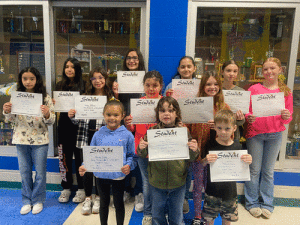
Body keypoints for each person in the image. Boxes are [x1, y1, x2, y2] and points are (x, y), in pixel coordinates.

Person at [137, 96, 199, 225]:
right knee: (157, 214)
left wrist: (194, 150)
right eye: (162, 110)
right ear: (158, 114)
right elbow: (142, 154)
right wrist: (141, 147)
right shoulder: (152, 132)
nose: (166, 114)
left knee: (176, 215)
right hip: (157, 182)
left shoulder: (183, 132)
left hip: (178, 181)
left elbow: (191, 158)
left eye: (170, 110)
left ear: (177, 114)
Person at [244, 57, 293, 219]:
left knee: (268, 171)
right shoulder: (254, 89)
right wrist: (248, 116)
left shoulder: (285, 91)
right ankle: (251, 203)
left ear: (280, 70)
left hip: (275, 135)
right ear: (261, 71)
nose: (269, 72)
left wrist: (286, 115)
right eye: (265, 69)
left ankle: (267, 203)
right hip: (256, 134)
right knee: (254, 170)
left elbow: (288, 118)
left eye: (272, 68)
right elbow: (247, 111)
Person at [2, 67, 55, 215]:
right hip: (21, 139)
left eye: (32, 78)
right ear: (21, 80)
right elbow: (10, 119)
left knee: (40, 172)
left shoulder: (45, 97)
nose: (28, 81)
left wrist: (47, 113)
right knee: (24, 172)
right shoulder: (16, 96)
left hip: (40, 141)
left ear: (37, 79)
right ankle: (26, 200)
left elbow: (51, 121)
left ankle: (37, 200)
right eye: (25, 78)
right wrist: (6, 111)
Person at [79, 100, 135, 225]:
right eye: (108, 114)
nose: (112, 118)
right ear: (103, 115)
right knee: (103, 203)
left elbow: (132, 156)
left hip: (118, 176)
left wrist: (129, 165)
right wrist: (84, 165)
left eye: (116, 115)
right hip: (101, 175)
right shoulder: (98, 134)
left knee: (118, 203)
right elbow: (91, 154)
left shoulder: (127, 135)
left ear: (122, 115)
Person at [68, 67, 113, 215]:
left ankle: (99, 198)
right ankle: (88, 198)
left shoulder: (111, 98)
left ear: (105, 79)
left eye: (100, 77)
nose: (98, 81)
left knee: (100, 169)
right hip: (84, 136)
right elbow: (77, 123)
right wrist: (72, 116)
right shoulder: (84, 97)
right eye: (94, 78)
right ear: (91, 81)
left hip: (102, 138)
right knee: (86, 169)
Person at [187, 71, 231, 225]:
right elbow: (187, 126)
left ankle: (210, 214)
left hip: (217, 152)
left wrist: (217, 127)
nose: (212, 87)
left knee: (211, 186)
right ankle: (198, 215)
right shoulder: (195, 103)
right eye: (208, 84)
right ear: (202, 86)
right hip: (199, 152)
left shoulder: (223, 107)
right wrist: (183, 127)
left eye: (215, 84)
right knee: (198, 185)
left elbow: (231, 131)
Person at [124, 70, 164, 224]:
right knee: (147, 183)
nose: (151, 88)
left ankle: (159, 212)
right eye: (148, 85)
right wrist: (129, 125)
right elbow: (133, 129)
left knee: (159, 183)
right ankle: (148, 213)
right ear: (143, 86)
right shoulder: (139, 103)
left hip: (160, 149)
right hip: (142, 149)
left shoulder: (165, 102)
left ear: (161, 86)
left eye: (155, 85)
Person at [201, 109, 252, 225]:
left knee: (227, 221)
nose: (223, 132)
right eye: (219, 128)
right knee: (209, 220)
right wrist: (205, 160)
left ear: (234, 128)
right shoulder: (210, 144)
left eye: (227, 128)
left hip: (230, 193)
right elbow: (202, 164)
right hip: (211, 192)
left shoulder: (238, 146)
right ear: (214, 127)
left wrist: (248, 160)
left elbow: (243, 166)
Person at [163, 55, 197, 214]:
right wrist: (167, 96)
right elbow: (163, 107)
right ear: (178, 69)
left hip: (193, 128)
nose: (186, 69)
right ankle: (171, 197)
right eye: (183, 67)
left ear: (194, 69)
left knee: (188, 165)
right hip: (175, 129)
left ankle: (183, 197)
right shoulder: (171, 85)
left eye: (189, 66)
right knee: (176, 163)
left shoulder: (199, 85)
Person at [117, 48, 146, 210]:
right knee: (124, 157)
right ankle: (126, 189)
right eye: (128, 58)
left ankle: (139, 192)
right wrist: (115, 92)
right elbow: (114, 104)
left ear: (139, 60)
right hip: (123, 125)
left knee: (139, 158)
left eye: (134, 58)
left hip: (141, 125)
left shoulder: (145, 79)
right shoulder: (120, 80)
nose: (131, 61)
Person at [55, 58, 86, 203]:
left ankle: (81, 189)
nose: (69, 69)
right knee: (64, 158)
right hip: (63, 126)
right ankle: (66, 188)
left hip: (79, 127)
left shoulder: (84, 86)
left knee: (80, 158)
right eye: (67, 66)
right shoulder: (59, 85)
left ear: (77, 69)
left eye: (72, 67)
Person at [221, 60, 245, 143]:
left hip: (234, 134)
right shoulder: (216, 90)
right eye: (228, 70)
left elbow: (242, 120)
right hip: (216, 132)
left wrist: (240, 118)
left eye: (235, 71)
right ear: (222, 72)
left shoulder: (241, 92)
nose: (232, 74)